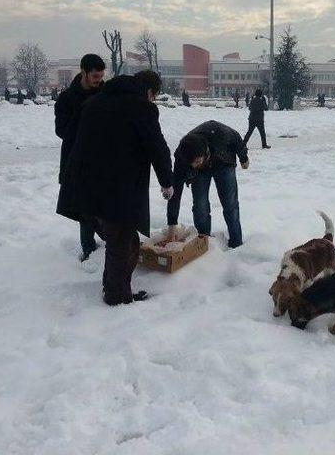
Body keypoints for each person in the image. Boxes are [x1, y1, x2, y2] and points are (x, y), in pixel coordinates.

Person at [56, 70, 174, 306]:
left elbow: (70, 136)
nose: (151, 101)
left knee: (122, 241)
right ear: (149, 91)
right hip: (116, 187)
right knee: (122, 242)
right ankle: (117, 298)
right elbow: (156, 146)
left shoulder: (95, 101)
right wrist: (167, 182)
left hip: (84, 184)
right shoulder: (142, 107)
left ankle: (114, 288)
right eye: (153, 96)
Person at [55, 53, 106, 261]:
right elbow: (61, 131)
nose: (98, 81)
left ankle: (109, 240)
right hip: (76, 160)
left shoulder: (105, 93)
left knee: (102, 204)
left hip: (102, 159)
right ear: (84, 73)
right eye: (95, 77)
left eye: (101, 76)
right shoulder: (67, 98)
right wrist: (85, 116)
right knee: (84, 208)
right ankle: (89, 250)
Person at [167, 120, 249, 249]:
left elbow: (237, 139)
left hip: (223, 162)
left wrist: (243, 158)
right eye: (191, 164)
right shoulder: (182, 156)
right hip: (200, 173)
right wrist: (172, 223)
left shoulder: (220, 134)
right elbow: (175, 191)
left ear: (205, 153)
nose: (194, 165)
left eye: (198, 161)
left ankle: (236, 243)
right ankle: (203, 241)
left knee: (230, 204)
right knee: (200, 206)